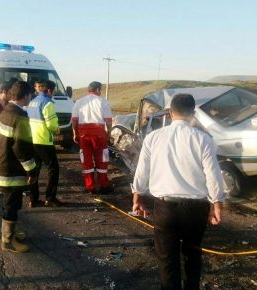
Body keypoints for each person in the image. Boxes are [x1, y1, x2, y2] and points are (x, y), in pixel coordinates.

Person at [131, 93, 226, 290]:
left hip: (165, 208)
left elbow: (142, 172)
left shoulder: (153, 137)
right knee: (192, 254)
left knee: (167, 259)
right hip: (196, 209)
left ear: (170, 113)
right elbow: (213, 175)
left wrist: (136, 197)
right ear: (192, 114)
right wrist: (216, 204)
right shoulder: (204, 139)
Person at [0, 81, 38, 253]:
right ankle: (7, 241)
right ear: (25, 96)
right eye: (30, 94)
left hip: (1, 165)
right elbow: (21, 148)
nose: (31, 97)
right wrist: (32, 169)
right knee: (11, 204)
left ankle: (11, 233)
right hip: (11, 170)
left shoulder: (6, 111)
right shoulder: (19, 117)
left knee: (10, 203)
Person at [71, 81, 113, 195]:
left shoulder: (79, 102)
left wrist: (75, 133)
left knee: (86, 160)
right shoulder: (103, 101)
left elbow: (74, 120)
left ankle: (90, 187)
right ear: (98, 90)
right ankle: (104, 185)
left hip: (83, 135)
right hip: (99, 134)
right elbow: (108, 120)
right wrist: (108, 132)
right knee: (102, 160)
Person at [27, 80, 61, 207]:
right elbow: (51, 125)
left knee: (34, 170)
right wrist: (57, 129)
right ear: (50, 90)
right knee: (53, 169)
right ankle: (50, 198)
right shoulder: (47, 103)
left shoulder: (32, 102)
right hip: (44, 140)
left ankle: (33, 199)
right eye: (54, 90)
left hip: (33, 139)